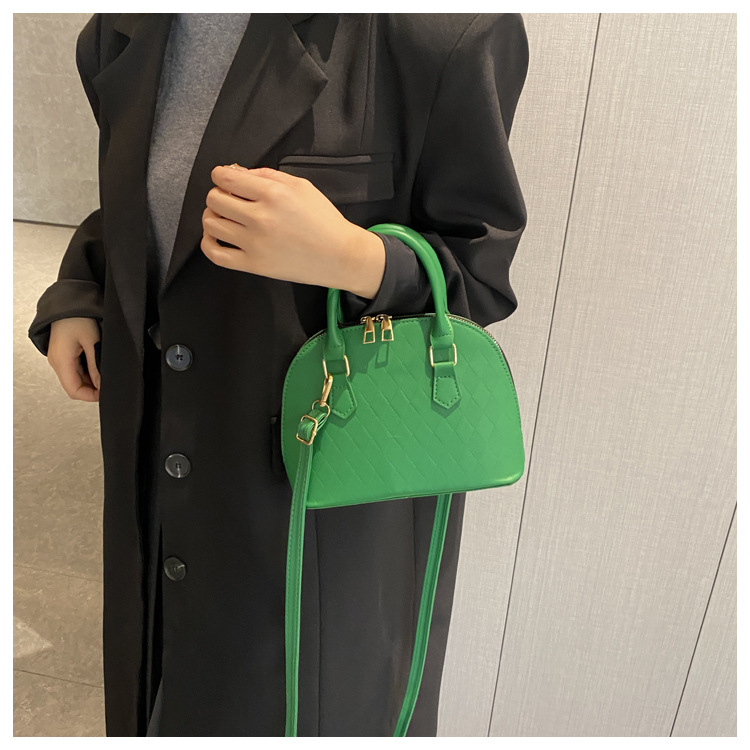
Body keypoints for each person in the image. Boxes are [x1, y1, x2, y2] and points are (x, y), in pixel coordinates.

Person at [28, 12, 529, 737]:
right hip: (154, 472)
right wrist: (82, 287)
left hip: (313, 506)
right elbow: (145, 194)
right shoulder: (120, 31)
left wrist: (355, 260)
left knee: (305, 705)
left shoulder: (441, 31)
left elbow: (479, 278)